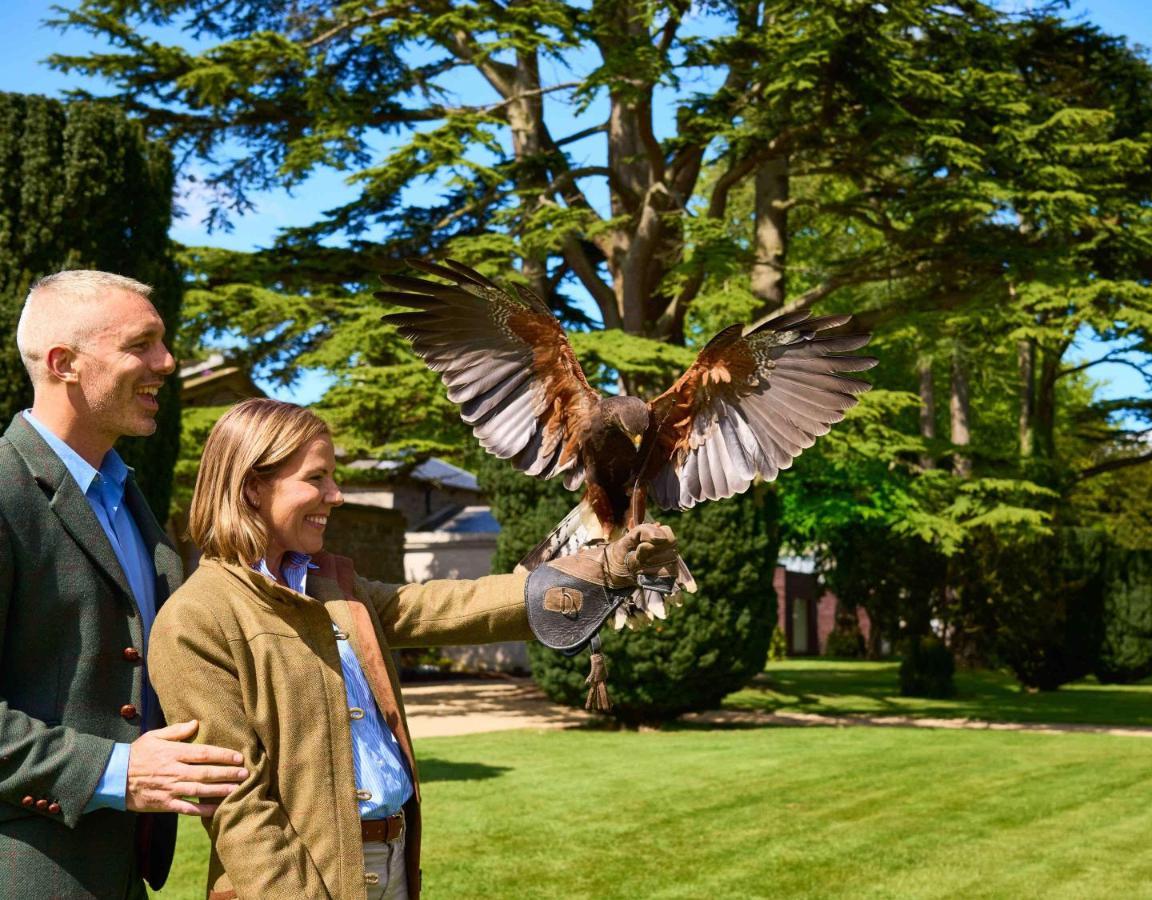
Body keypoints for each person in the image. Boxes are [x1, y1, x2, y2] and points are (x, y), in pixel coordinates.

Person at [148, 398, 677, 900]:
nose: (336, 495)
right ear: (251, 489)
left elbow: (441, 606)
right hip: (303, 881)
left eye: (333, 477)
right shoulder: (197, 619)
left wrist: (602, 569)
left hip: (392, 859)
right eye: (316, 478)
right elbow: (239, 804)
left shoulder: (330, 585)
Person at [0, 271, 248, 898]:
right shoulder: (4, 493)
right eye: (142, 344)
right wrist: (115, 768)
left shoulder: (124, 495)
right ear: (65, 364)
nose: (167, 363)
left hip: (121, 873)